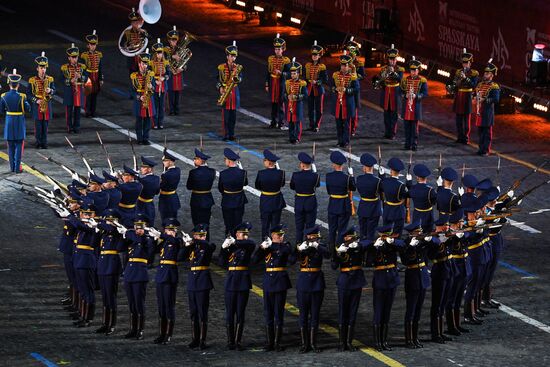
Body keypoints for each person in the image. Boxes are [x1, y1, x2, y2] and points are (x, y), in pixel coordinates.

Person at [253, 224, 294, 352]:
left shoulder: (285, 246)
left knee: (279, 313)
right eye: (278, 235)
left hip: (280, 281)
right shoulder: (267, 247)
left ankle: (277, 342)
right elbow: (254, 260)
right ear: (273, 236)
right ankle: (269, 342)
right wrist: (261, 248)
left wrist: (278, 246)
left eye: (282, 235)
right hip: (269, 282)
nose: (281, 237)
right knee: (268, 313)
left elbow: (291, 259)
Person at [364, 225, 404, 351]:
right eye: (385, 235)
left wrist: (392, 241)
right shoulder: (374, 246)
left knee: (387, 312)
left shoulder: (393, 244)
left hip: (392, 280)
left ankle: (384, 341)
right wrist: (375, 248)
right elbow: (369, 262)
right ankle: (377, 342)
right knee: (379, 312)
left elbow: (403, 245)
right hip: (380, 281)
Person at [218, 222, 256, 351]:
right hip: (231, 281)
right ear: (237, 234)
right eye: (243, 234)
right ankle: (230, 341)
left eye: (246, 234)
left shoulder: (248, 245)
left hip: (242, 282)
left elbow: (250, 244)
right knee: (230, 313)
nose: (246, 236)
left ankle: (238, 341)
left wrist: (234, 243)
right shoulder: (231, 247)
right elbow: (222, 262)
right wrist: (223, 248)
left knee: (240, 312)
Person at [293, 225, 330, 353]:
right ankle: (304, 344)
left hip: (317, 283)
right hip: (303, 283)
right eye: (314, 237)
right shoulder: (301, 245)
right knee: (303, 314)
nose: (316, 239)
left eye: (317, 237)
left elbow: (328, 254)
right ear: (308, 236)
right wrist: (298, 250)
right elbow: (292, 259)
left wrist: (316, 246)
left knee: (315, 314)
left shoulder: (320, 246)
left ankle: (313, 343)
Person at [119, 214, 155, 340]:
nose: (138, 229)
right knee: (132, 303)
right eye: (136, 227)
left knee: (139, 303)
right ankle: (133, 329)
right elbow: (120, 248)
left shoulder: (148, 239)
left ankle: (140, 330)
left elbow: (150, 257)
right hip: (129, 272)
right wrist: (124, 236)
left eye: (141, 227)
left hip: (140, 273)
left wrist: (130, 234)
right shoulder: (132, 239)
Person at [181, 224, 216, 350]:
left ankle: (202, 340)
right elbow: (180, 257)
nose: (201, 237)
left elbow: (208, 246)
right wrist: (186, 245)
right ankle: (195, 339)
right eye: (198, 235)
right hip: (192, 281)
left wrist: (194, 241)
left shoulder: (208, 245)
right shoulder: (191, 246)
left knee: (202, 312)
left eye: (203, 235)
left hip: (202, 281)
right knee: (193, 313)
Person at [332, 226, 366, 352]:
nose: (349, 239)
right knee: (343, 312)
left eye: (351, 237)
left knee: (353, 312)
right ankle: (342, 342)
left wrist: (357, 246)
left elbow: (367, 243)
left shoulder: (358, 246)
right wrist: (338, 253)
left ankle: (349, 342)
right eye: (348, 237)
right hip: (344, 282)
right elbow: (334, 266)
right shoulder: (340, 247)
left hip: (356, 281)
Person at [400, 221, 431, 348]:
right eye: (417, 232)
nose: (420, 233)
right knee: (411, 311)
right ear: (411, 234)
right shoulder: (406, 244)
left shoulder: (422, 242)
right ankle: (409, 339)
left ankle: (415, 337)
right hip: (412, 278)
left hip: (422, 277)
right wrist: (411, 247)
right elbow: (406, 260)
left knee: (418, 311)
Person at [152, 218, 183, 345]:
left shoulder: (177, 241)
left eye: (172, 230)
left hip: (170, 275)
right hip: (161, 274)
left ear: (175, 231)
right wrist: (155, 240)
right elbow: (152, 252)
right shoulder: (164, 242)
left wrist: (162, 235)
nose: (170, 232)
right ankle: (162, 333)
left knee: (169, 306)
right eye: (167, 230)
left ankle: (168, 335)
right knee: (161, 306)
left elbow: (174, 241)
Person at [70, 197, 99, 328]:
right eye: (84, 213)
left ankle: (88, 318)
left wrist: (71, 216)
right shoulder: (84, 225)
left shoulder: (94, 226)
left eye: (89, 214)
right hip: (79, 259)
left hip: (86, 261)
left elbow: (80, 225)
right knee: (82, 289)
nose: (85, 216)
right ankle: (82, 314)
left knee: (87, 290)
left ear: (94, 215)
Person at [95, 209, 124, 335]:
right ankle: (105, 323)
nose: (109, 223)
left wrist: (98, 223)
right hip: (103, 265)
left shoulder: (117, 231)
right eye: (108, 220)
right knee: (105, 296)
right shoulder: (105, 233)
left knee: (111, 296)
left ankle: (111, 324)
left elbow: (112, 229)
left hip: (111, 266)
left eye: (111, 221)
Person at [0, 69, 31, 173]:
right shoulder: (22, 96)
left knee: (10, 146)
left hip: (9, 121)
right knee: (18, 145)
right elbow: (28, 109)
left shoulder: (3, 96)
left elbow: (1, 110)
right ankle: (17, 168)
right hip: (19, 122)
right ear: (18, 85)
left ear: (9, 84)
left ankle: (12, 167)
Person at [325, 151, 356, 251]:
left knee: (332, 229)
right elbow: (353, 188)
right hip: (344, 205)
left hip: (333, 204)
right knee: (342, 230)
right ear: (342, 165)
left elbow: (329, 191)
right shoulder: (347, 178)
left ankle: (331, 250)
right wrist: (351, 176)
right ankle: (338, 249)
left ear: (333, 164)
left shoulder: (328, 176)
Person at [290, 152, 320, 244]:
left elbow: (292, 187)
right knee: (310, 226)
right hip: (310, 202)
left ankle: (298, 246)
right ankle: (309, 245)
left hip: (299, 202)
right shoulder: (315, 176)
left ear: (302, 165)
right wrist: (314, 173)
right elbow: (317, 185)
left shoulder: (295, 175)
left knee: (299, 227)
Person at [255, 149, 286, 239]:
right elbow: (282, 184)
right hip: (277, 200)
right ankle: (275, 242)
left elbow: (257, 186)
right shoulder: (281, 173)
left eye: (265, 160)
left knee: (265, 225)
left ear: (269, 163)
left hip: (265, 201)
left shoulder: (261, 173)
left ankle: (265, 243)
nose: (263, 162)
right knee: (275, 224)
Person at [400, 57, 428, 151]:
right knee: (407, 127)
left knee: (414, 128)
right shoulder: (405, 79)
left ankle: (414, 144)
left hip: (415, 106)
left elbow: (425, 93)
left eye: (415, 70)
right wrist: (405, 95)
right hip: (407, 106)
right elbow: (400, 91)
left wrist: (417, 96)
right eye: (412, 70)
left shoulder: (422, 81)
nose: (413, 72)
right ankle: (407, 143)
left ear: (418, 71)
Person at [218, 148, 248, 236]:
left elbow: (220, 189)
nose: (225, 161)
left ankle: (229, 237)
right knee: (238, 221)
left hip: (227, 200)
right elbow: (245, 183)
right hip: (239, 200)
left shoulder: (223, 173)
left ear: (229, 161)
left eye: (225, 159)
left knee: (228, 222)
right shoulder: (243, 173)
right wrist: (242, 169)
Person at [332, 53, 359, 148]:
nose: (343, 67)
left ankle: (346, 141)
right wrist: (335, 89)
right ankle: (340, 141)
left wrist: (346, 90)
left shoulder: (352, 77)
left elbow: (356, 89)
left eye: (345, 65)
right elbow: (332, 86)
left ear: (349, 66)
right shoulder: (335, 75)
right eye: (342, 65)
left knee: (346, 124)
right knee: (338, 124)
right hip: (338, 104)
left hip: (347, 104)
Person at [28, 52, 55, 149]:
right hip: (37, 104)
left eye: (44, 68)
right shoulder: (32, 80)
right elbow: (29, 94)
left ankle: (44, 142)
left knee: (45, 125)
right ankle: (38, 142)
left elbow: (54, 91)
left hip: (47, 104)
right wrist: (36, 101)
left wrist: (50, 90)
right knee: (38, 125)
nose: (43, 70)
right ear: (37, 69)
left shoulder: (50, 79)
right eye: (41, 68)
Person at [217, 41, 242, 141]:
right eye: (231, 56)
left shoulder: (237, 68)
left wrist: (238, 78)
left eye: (234, 56)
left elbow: (240, 78)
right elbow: (217, 80)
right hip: (225, 93)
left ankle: (231, 134)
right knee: (226, 118)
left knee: (233, 117)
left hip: (234, 93)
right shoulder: (221, 67)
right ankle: (225, 134)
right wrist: (220, 88)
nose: (233, 58)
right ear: (227, 56)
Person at [452, 49, 478, 144]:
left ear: (470, 63)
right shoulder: (458, 72)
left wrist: (465, 78)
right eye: (463, 63)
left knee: (467, 119)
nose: (465, 65)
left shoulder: (474, 73)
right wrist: (453, 86)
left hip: (467, 96)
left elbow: (474, 85)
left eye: (466, 63)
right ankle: (460, 136)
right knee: (458, 119)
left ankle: (466, 137)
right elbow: (455, 83)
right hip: (459, 95)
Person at [474, 60, 500, 156]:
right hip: (480, 110)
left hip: (488, 111)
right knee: (480, 132)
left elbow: (496, 99)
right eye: (485, 72)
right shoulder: (480, 85)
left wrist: (484, 100)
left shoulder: (494, 86)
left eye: (487, 73)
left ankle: (486, 150)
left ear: (492, 75)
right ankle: (481, 148)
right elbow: (475, 94)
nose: (485, 74)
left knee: (487, 132)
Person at [186, 148, 216, 232]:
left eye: (195, 159)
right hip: (207, 200)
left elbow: (188, 186)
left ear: (200, 160)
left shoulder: (193, 172)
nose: (194, 161)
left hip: (196, 200)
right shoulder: (212, 171)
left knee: (196, 223)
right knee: (206, 223)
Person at [378, 45, 404, 140]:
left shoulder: (400, 69)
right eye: (390, 59)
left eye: (394, 59)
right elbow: (380, 81)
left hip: (395, 93)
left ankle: (392, 133)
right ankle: (387, 132)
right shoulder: (383, 69)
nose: (392, 61)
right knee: (386, 114)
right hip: (386, 93)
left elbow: (400, 80)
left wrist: (394, 73)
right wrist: (382, 78)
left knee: (394, 115)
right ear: (388, 59)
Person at [61, 44, 88, 133]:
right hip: (69, 91)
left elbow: (87, 77)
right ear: (69, 58)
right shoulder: (64, 68)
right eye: (72, 57)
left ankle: (77, 127)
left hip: (78, 91)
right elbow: (61, 79)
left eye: (76, 57)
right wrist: (70, 80)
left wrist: (80, 76)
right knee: (69, 111)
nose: (74, 59)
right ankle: (70, 127)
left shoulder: (82, 67)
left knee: (77, 110)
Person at [130, 49, 155, 145]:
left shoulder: (150, 75)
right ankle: (139, 138)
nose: (145, 66)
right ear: (139, 64)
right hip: (139, 100)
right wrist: (139, 97)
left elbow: (153, 89)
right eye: (143, 64)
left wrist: (151, 87)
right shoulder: (134, 76)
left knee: (148, 121)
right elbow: (132, 91)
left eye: (146, 64)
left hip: (148, 99)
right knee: (139, 121)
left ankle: (146, 138)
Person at [266, 34, 291, 129]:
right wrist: (267, 84)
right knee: (273, 103)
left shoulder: (286, 60)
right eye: (276, 49)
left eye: (279, 49)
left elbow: (288, 73)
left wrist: (281, 73)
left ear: (283, 49)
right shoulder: (271, 59)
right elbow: (268, 72)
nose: (277, 51)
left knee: (280, 103)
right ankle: (273, 121)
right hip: (273, 83)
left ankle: (281, 122)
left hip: (281, 84)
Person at [356, 152, 382, 241]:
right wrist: (382, 177)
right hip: (374, 208)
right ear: (373, 168)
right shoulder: (378, 181)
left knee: (362, 231)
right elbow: (382, 192)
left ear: (364, 168)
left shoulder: (359, 179)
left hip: (363, 207)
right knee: (371, 232)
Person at [380, 157, 408, 236]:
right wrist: (409, 183)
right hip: (398, 210)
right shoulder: (401, 185)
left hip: (388, 208)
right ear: (399, 172)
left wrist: (381, 175)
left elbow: (382, 186)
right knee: (398, 231)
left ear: (391, 170)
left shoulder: (385, 182)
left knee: (386, 229)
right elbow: (407, 195)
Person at [304, 41, 327, 132]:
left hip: (318, 90)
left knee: (318, 109)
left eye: (316, 55)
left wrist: (317, 82)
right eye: (313, 55)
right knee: (310, 109)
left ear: (319, 56)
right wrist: (308, 81)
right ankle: (311, 125)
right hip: (310, 89)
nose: (314, 56)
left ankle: (317, 125)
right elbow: (305, 77)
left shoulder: (322, 66)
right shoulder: (308, 65)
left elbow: (325, 79)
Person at [284, 59, 308, 144]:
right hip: (290, 104)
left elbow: (305, 95)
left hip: (297, 105)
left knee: (297, 122)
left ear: (298, 74)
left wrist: (296, 96)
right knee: (290, 122)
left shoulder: (302, 83)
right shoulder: (287, 83)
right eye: (292, 73)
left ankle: (297, 137)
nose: (292, 75)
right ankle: (291, 137)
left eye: (294, 74)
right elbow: (284, 94)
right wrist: (287, 96)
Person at [80, 30, 103, 117]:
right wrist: (84, 79)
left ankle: (93, 111)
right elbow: (82, 69)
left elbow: (100, 67)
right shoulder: (84, 55)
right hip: (88, 76)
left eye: (94, 44)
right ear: (88, 45)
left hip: (96, 76)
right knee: (88, 95)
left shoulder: (99, 55)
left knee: (95, 94)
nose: (93, 46)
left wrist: (101, 78)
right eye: (91, 44)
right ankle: (88, 111)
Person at [408, 163, 437, 232]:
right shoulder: (430, 190)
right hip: (428, 214)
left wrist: (408, 182)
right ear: (426, 178)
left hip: (417, 213)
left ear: (417, 177)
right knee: (428, 233)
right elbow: (435, 202)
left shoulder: (413, 188)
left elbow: (408, 194)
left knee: (416, 231)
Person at [345, 37, 365, 136]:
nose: (349, 52)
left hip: (354, 88)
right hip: (344, 88)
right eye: (348, 50)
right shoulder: (344, 62)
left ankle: (352, 129)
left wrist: (355, 76)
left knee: (354, 109)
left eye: (351, 50)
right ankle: (346, 128)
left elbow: (362, 76)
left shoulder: (359, 63)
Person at [150, 38, 170, 129]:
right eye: (158, 53)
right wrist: (155, 80)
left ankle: (160, 122)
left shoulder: (165, 63)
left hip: (162, 87)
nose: (159, 55)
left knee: (161, 106)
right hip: (154, 87)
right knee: (155, 106)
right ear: (155, 53)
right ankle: (154, 123)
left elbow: (168, 74)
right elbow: (149, 75)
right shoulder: (151, 63)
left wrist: (163, 78)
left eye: (161, 52)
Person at [165, 26, 185, 116]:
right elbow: (163, 61)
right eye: (172, 40)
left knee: (178, 94)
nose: (174, 42)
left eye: (175, 40)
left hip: (179, 74)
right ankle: (171, 109)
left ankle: (177, 109)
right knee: (171, 94)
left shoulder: (180, 49)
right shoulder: (166, 49)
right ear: (169, 40)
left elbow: (185, 62)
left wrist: (182, 68)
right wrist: (173, 56)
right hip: (170, 74)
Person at [137, 156, 161, 226]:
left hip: (140, 205)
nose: (141, 169)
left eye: (143, 167)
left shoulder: (143, 181)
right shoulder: (157, 178)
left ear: (150, 169)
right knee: (150, 223)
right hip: (150, 204)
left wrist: (135, 176)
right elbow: (157, 192)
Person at [159, 149, 181, 221]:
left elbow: (160, 186)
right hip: (173, 197)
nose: (163, 162)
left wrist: (162, 175)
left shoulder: (166, 175)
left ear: (171, 162)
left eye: (165, 161)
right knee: (173, 219)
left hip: (165, 199)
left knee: (165, 219)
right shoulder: (178, 170)